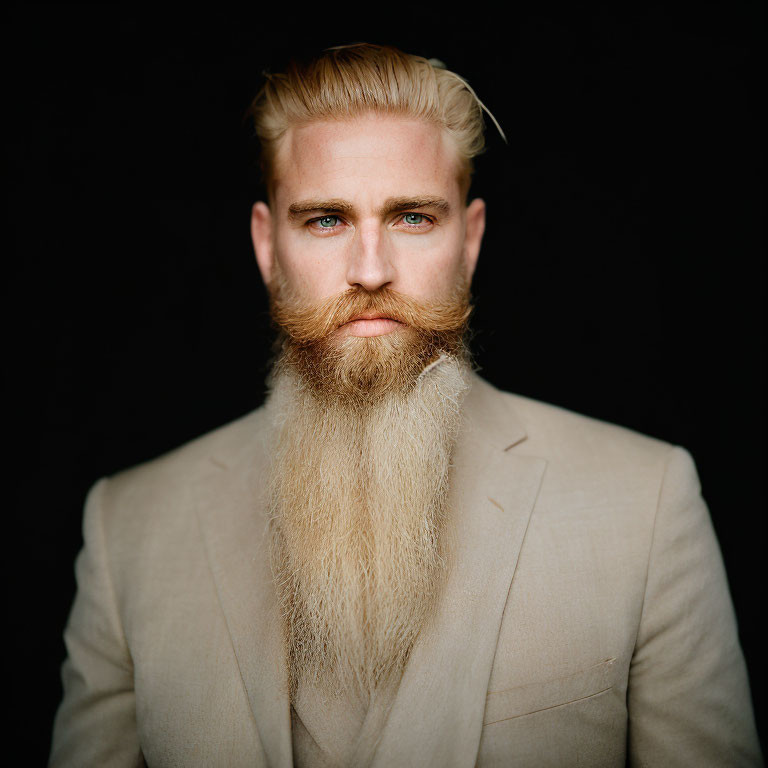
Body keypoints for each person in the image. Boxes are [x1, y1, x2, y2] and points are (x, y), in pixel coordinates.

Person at [49, 43, 761, 768]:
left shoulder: (645, 505)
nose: (369, 270)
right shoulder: (126, 528)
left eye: (412, 217)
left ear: (470, 238)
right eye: (325, 219)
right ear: (268, 246)